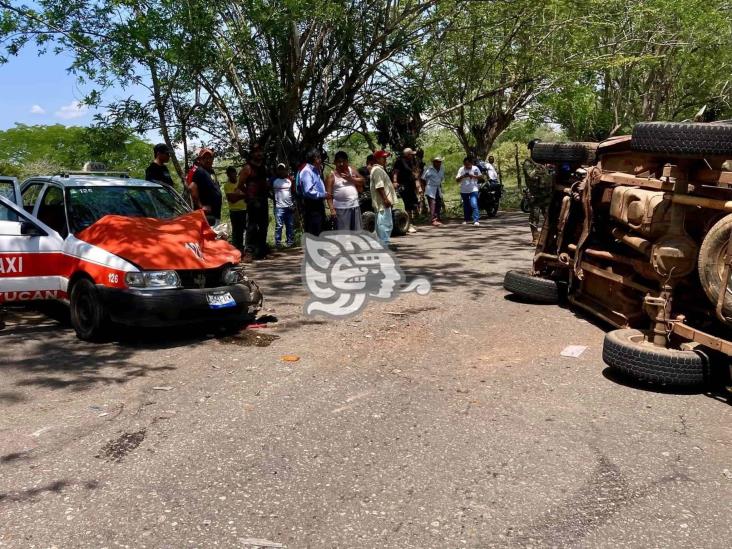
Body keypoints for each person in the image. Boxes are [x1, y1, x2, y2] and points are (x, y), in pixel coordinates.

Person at [238, 144, 270, 259]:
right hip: (252, 201)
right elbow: (240, 185)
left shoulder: (264, 167)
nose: (259, 153)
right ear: (252, 154)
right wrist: (249, 195)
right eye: (256, 151)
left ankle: (261, 251)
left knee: (264, 225)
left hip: (263, 200)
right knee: (252, 226)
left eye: (260, 151)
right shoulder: (247, 168)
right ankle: (249, 252)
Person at [522, 139, 554, 245]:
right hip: (535, 194)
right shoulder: (528, 162)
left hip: (546, 193)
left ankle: (549, 238)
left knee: (548, 217)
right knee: (534, 217)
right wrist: (540, 168)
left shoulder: (546, 161)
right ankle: (535, 238)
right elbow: (531, 175)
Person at [326, 150, 365, 231]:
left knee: (356, 232)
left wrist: (350, 179)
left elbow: (363, 181)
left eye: (344, 161)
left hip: (355, 207)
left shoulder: (352, 170)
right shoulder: (331, 176)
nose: (341, 164)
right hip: (341, 209)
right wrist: (332, 210)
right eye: (339, 162)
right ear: (334, 162)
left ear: (347, 161)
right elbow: (329, 195)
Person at [370, 150, 397, 249]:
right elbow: (379, 186)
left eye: (385, 157)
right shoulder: (377, 170)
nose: (385, 159)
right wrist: (385, 199)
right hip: (382, 202)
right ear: (377, 159)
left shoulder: (379, 169)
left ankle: (381, 243)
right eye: (383, 158)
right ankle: (384, 243)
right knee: (384, 223)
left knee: (382, 222)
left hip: (383, 201)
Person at [188, 147, 222, 224]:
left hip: (215, 214)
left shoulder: (211, 171)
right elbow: (192, 188)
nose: (208, 160)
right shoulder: (200, 171)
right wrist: (201, 206)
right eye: (205, 158)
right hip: (206, 216)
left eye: (210, 158)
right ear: (200, 159)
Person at [298, 149, 327, 236]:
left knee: (319, 227)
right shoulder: (307, 171)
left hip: (318, 203)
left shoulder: (315, 170)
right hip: (312, 204)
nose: (320, 159)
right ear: (313, 158)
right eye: (318, 157)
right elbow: (308, 191)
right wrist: (323, 194)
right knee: (314, 228)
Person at [392, 148, 419, 233]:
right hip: (404, 186)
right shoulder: (399, 162)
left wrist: (417, 184)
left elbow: (414, 173)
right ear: (407, 155)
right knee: (407, 204)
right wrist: (395, 181)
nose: (413, 156)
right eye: (412, 154)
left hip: (411, 185)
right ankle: (409, 224)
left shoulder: (411, 162)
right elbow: (395, 172)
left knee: (413, 204)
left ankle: (410, 223)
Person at [456, 156, 484, 226]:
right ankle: (466, 219)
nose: (466, 166)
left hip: (473, 189)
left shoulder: (475, 169)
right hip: (464, 190)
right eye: (465, 164)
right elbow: (457, 180)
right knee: (466, 205)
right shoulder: (461, 169)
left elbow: (480, 177)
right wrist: (463, 176)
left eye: (468, 164)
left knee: (474, 204)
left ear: (471, 163)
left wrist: (473, 176)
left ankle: (476, 220)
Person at [272, 163, 295, 248]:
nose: (281, 171)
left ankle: (290, 242)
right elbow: (268, 188)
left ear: (285, 170)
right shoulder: (274, 180)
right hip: (279, 207)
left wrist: (294, 204)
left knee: (290, 225)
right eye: (280, 169)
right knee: (279, 226)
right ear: (277, 171)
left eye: (283, 169)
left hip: (289, 206)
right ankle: (278, 243)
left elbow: (293, 192)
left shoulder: (289, 180)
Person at [224, 166, 247, 251]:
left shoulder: (241, 182)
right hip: (234, 211)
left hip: (244, 209)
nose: (232, 175)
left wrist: (237, 196)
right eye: (230, 174)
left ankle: (242, 247)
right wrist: (242, 196)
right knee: (236, 230)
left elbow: (247, 194)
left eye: (233, 173)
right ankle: (235, 248)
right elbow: (232, 200)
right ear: (228, 175)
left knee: (243, 229)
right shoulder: (227, 185)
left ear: (235, 173)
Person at [422, 156, 445, 226]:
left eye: (439, 162)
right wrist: (424, 187)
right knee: (432, 203)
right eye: (437, 162)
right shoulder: (428, 169)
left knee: (438, 202)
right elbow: (423, 178)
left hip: (438, 188)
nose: (438, 163)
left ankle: (437, 216)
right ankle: (433, 219)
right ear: (433, 162)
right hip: (430, 187)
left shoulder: (442, 169)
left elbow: (441, 179)